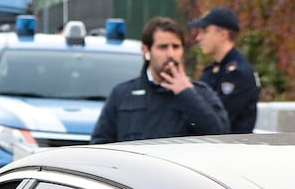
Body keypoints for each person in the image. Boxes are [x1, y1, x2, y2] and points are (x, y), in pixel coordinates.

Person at [90, 17, 229, 144]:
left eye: (176, 47)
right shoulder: (122, 95)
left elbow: (219, 136)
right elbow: (100, 144)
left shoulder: (200, 94)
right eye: (163, 47)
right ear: (146, 50)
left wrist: (187, 93)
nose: (170, 54)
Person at [189, 7, 259, 135]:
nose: (199, 37)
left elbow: (217, 118)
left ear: (223, 35)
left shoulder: (239, 73)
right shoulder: (212, 71)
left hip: (232, 149)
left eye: (205, 31)